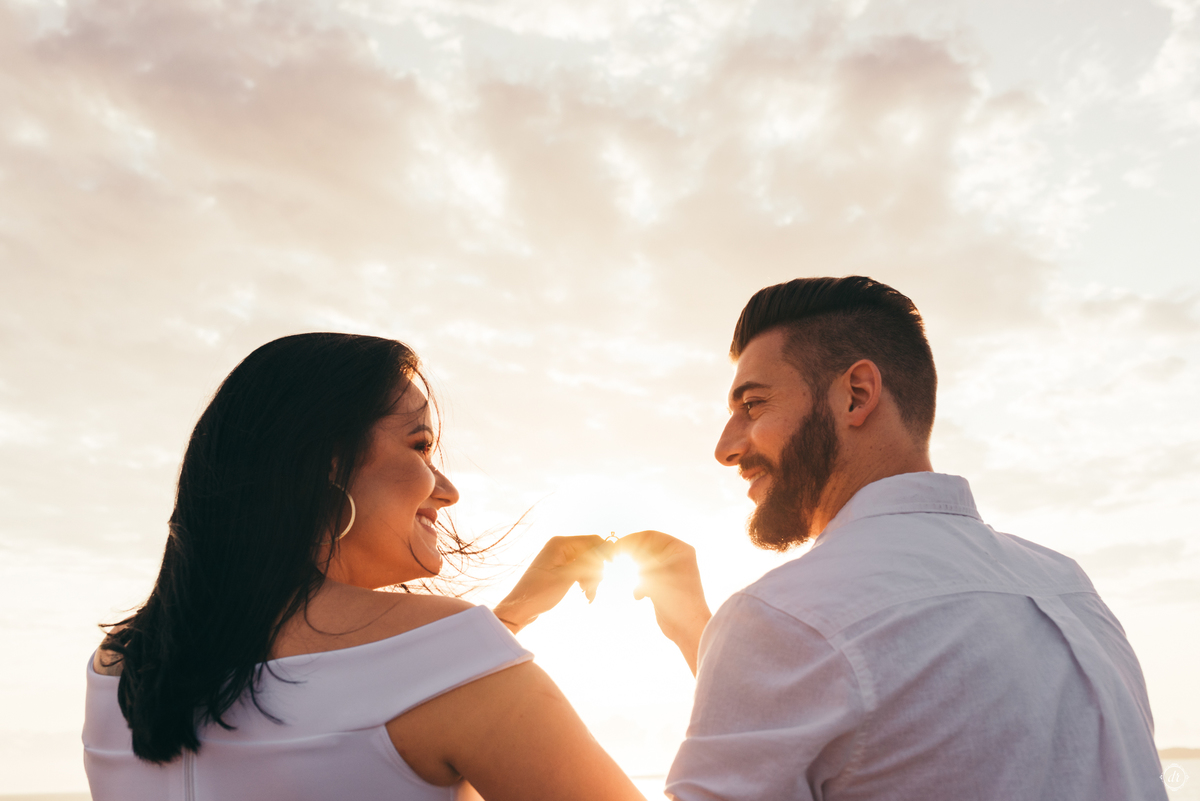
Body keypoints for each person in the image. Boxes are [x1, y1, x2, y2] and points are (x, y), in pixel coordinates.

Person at [620, 277, 1167, 801]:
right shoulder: (1068, 587)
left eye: (753, 404)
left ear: (856, 395)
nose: (726, 446)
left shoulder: (781, 616)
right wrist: (702, 633)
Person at [83, 333, 647, 801]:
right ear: (329, 464)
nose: (446, 490)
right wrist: (698, 625)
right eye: (421, 446)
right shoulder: (453, 654)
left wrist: (509, 620)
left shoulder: (118, 668)